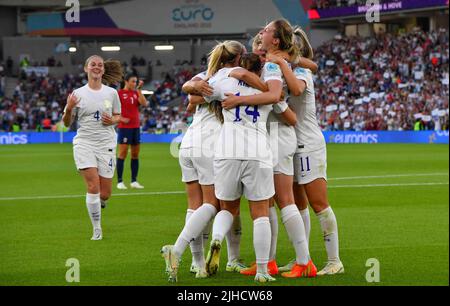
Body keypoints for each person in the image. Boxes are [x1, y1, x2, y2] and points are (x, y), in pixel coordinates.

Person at [161, 41, 267, 282]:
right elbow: (194, 97)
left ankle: (197, 264)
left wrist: (195, 88)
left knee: (194, 205)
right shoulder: (229, 78)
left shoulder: (207, 76)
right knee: (216, 206)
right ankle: (185, 252)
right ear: (238, 58)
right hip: (210, 146)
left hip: (188, 144)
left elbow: (190, 97)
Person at [224, 20, 317, 279]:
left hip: (278, 135)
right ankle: (269, 261)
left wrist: (242, 95)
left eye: (265, 32)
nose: (260, 34)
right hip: (268, 135)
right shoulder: (269, 62)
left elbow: (278, 96)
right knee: (267, 202)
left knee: (285, 199)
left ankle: (304, 261)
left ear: (274, 41)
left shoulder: (275, 63)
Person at [277, 27, 344, 275]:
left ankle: (334, 260)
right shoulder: (287, 71)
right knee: (297, 204)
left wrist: (283, 63)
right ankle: (301, 258)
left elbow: (296, 90)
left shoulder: (303, 72)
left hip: (308, 144)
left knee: (319, 204)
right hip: (291, 145)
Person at [62, 55, 123, 240]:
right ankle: (97, 229)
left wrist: (111, 120)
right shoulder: (77, 94)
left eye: (100, 65)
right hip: (84, 143)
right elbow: (66, 123)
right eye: (93, 64)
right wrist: (69, 108)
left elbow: (118, 116)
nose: (96, 67)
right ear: (86, 69)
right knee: (93, 186)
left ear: (103, 70)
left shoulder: (111, 93)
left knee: (105, 193)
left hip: (106, 144)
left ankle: (99, 203)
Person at [116, 74, 148, 190]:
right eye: (133, 82)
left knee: (135, 155)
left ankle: (134, 181)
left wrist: (139, 90)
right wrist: (120, 118)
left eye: (136, 82)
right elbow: (110, 108)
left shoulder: (136, 93)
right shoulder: (118, 94)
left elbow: (144, 104)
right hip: (124, 128)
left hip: (135, 127)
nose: (134, 84)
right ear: (126, 81)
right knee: (122, 154)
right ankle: (119, 181)